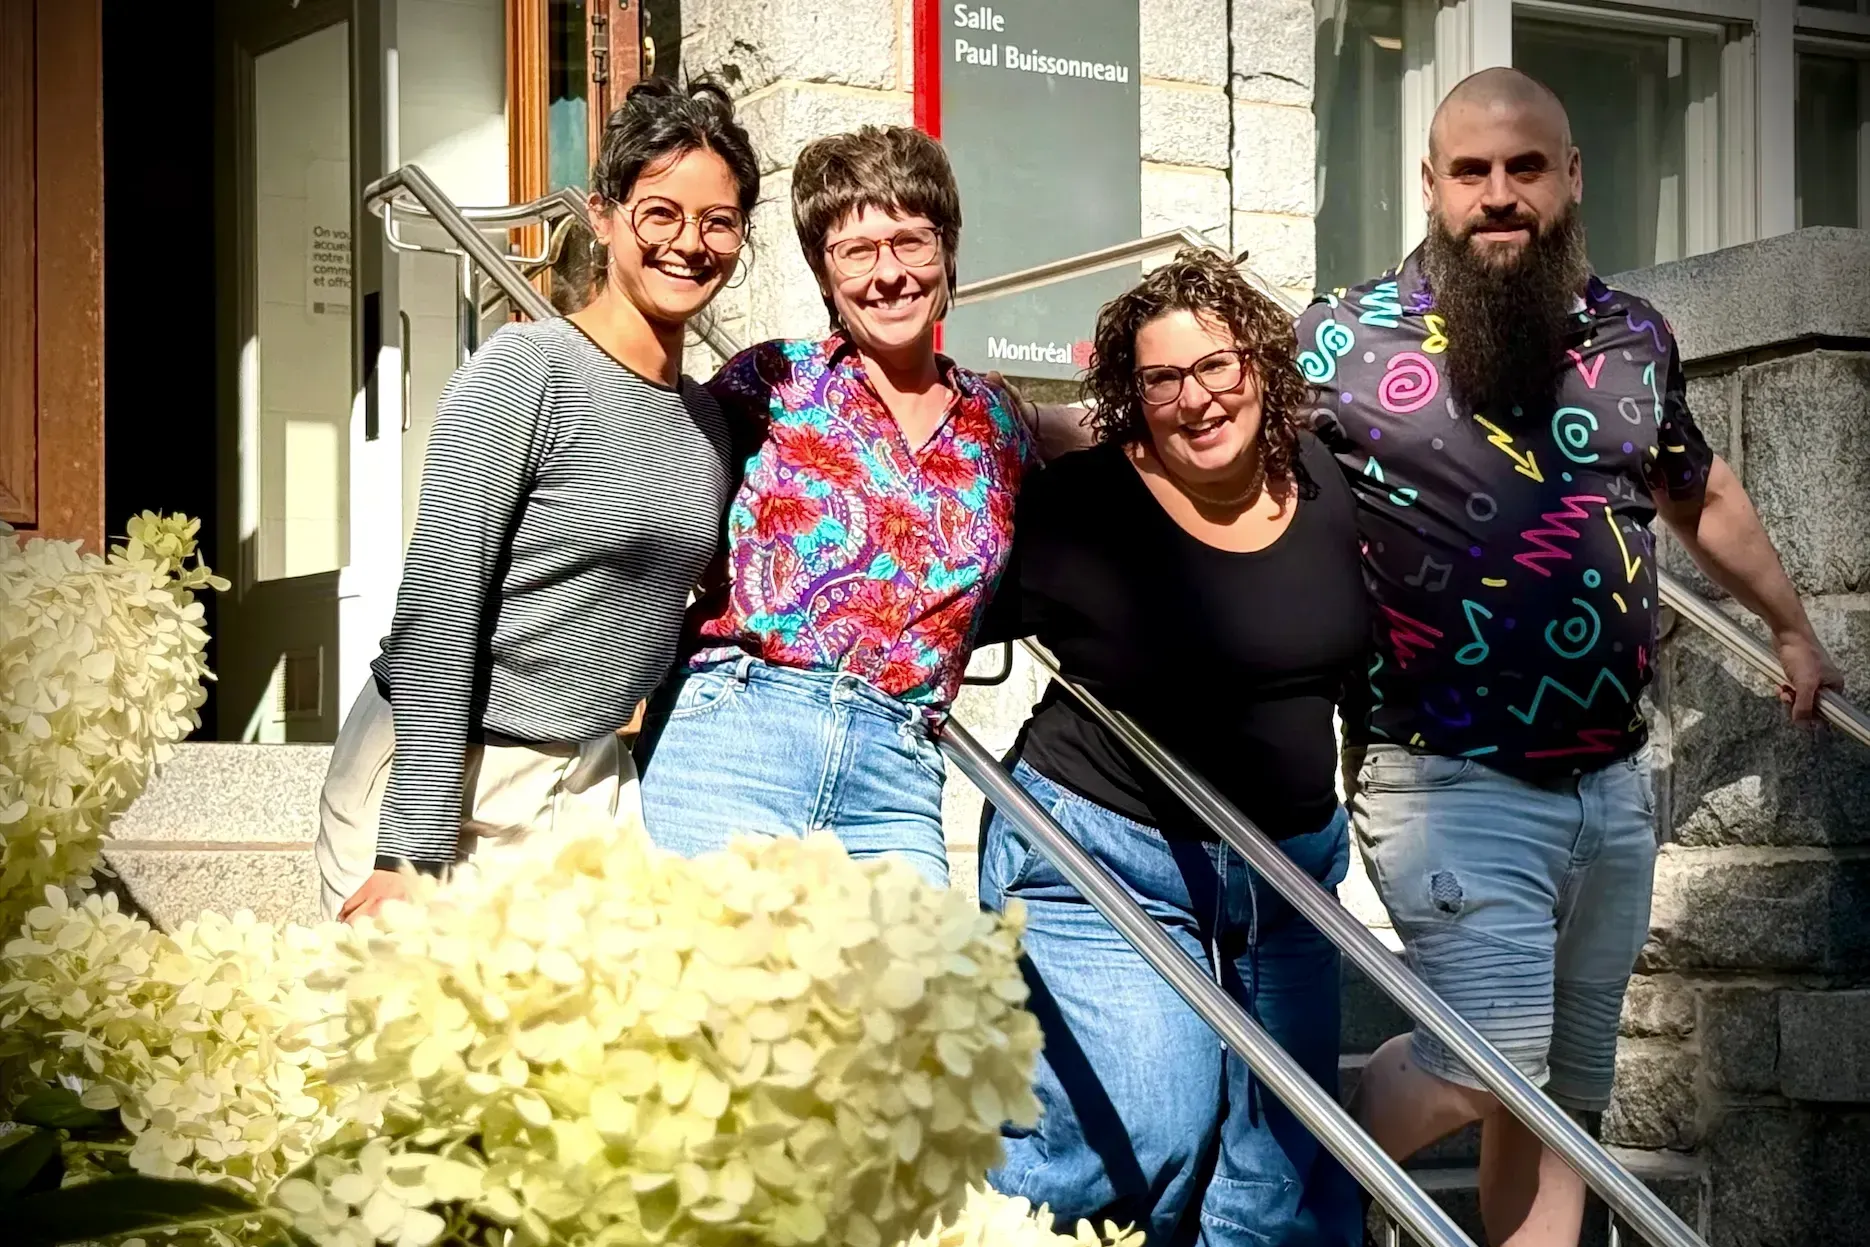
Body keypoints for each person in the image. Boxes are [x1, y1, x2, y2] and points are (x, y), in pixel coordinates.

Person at [1299, 68, 1842, 1246]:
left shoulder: (1629, 333)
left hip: (1608, 783)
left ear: (1571, 178)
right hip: (1446, 773)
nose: (1500, 195)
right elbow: (1213, 451)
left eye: (1525, 168)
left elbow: (1694, 490)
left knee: (1559, 1099)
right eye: (1473, 171)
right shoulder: (1341, 337)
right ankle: (1280, 1154)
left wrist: (1790, 624)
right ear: (1431, 185)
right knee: (1486, 1062)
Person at [975, 249, 1366, 1247]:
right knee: (1146, 1123)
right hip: (1107, 854)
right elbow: (933, 610)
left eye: (1216, 366)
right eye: (1161, 378)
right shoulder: (1083, 507)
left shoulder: (1325, 478)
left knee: (1280, 1165)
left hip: (1287, 871)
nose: (1195, 398)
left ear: (1259, 366)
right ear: (1129, 394)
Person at [314, 78, 761, 922]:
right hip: (444, 769)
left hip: (588, 780)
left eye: (718, 221)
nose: (689, 243)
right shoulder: (527, 373)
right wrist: (412, 846)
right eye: (659, 212)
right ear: (602, 215)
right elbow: (439, 610)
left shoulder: (706, 422)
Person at [633, 125, 1056, 887]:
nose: (888, 274)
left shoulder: (996, 422)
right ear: (825, 277)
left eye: (910, 242)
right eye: (856, 252)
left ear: (948, 252)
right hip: (737, 736)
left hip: (896, 772)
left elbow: (1125, 436)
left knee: (909, 1004)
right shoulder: (772, 381)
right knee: (703, 995)